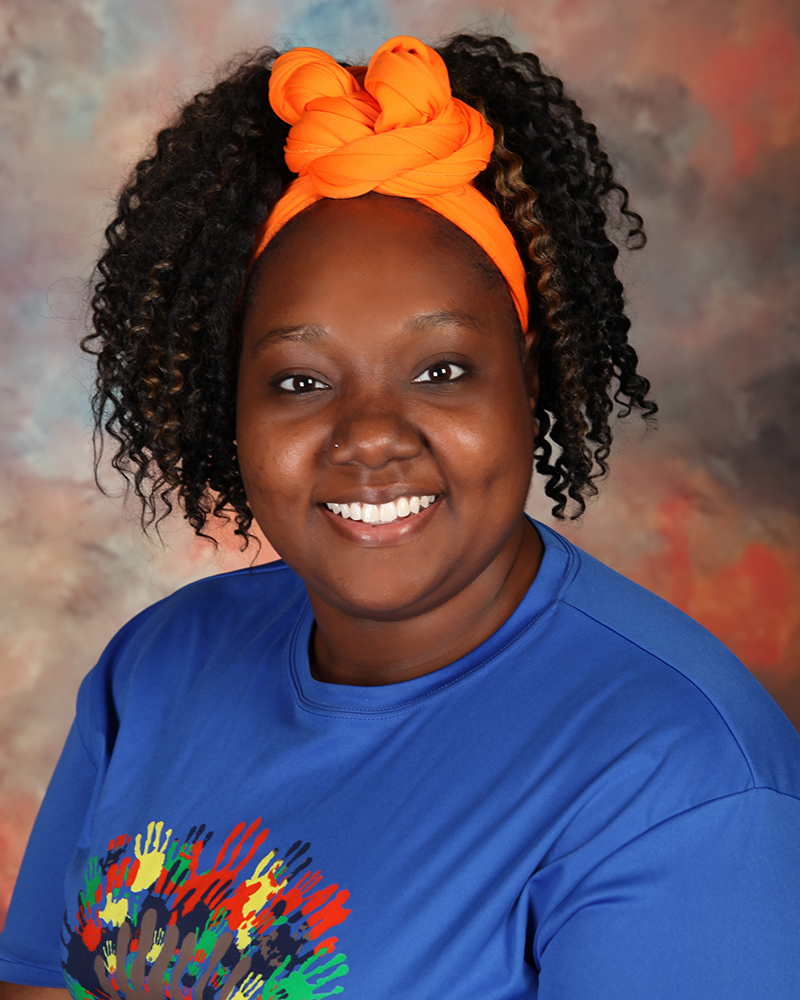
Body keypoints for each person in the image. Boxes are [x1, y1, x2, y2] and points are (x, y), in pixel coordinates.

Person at [0, 32, 798, 1000]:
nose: (369, 435)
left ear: (527, 381)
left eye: (440, 371)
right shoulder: (157, 667)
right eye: (299, 379)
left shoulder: (679, 779)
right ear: (234, 410)